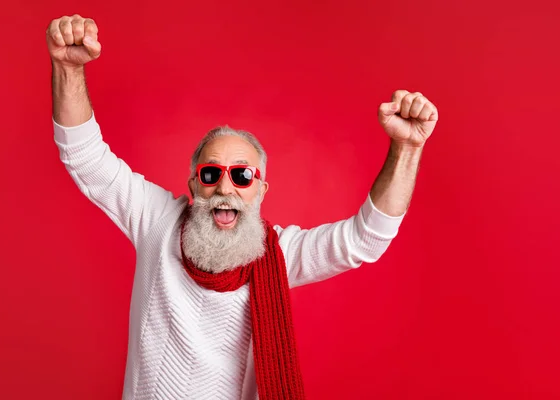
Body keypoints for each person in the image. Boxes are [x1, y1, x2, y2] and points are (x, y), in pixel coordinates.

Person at [47, 14, 439, 400]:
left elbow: (365, 239)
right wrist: (67, 67)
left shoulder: (279, 255)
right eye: (211, 173)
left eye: (241, 176)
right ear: (193, 185)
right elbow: (86, 157)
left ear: (261, 190)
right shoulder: (157, 220)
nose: (224, 186)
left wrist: (406, 148)